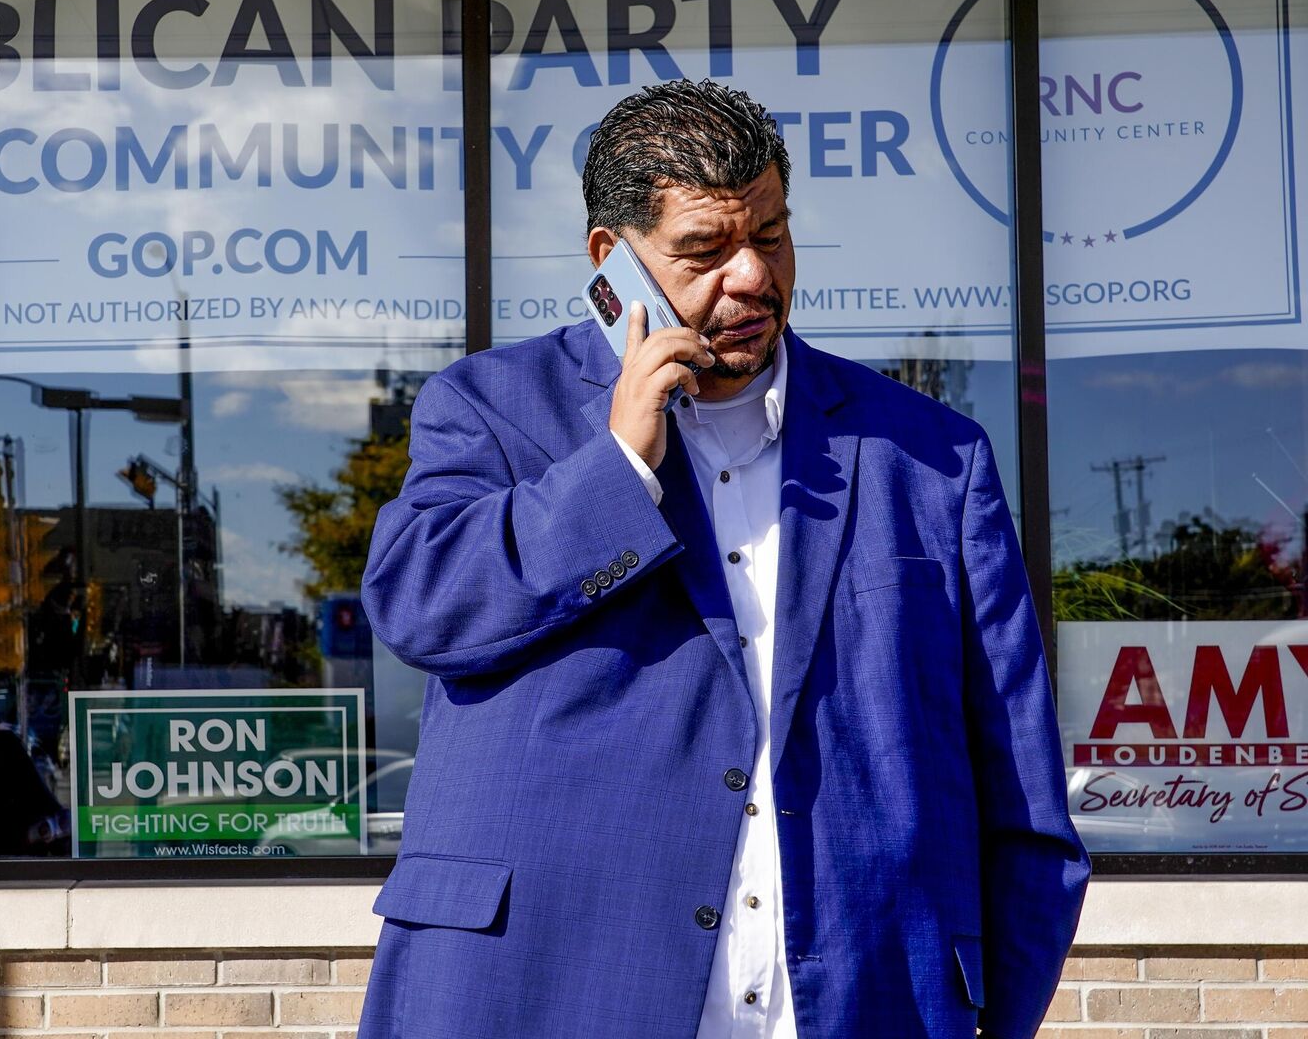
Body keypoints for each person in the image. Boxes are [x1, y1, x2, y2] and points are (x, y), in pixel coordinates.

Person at [355, 79, 1089, 1039]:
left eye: (772, 235)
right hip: (549, 991)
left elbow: (1023, 797)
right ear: (609, 260)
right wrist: (618, 466)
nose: (751, 275)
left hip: (866, 1003)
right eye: (705, 249)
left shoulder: (932, 457)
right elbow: (422, 608)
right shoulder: (491, 407)